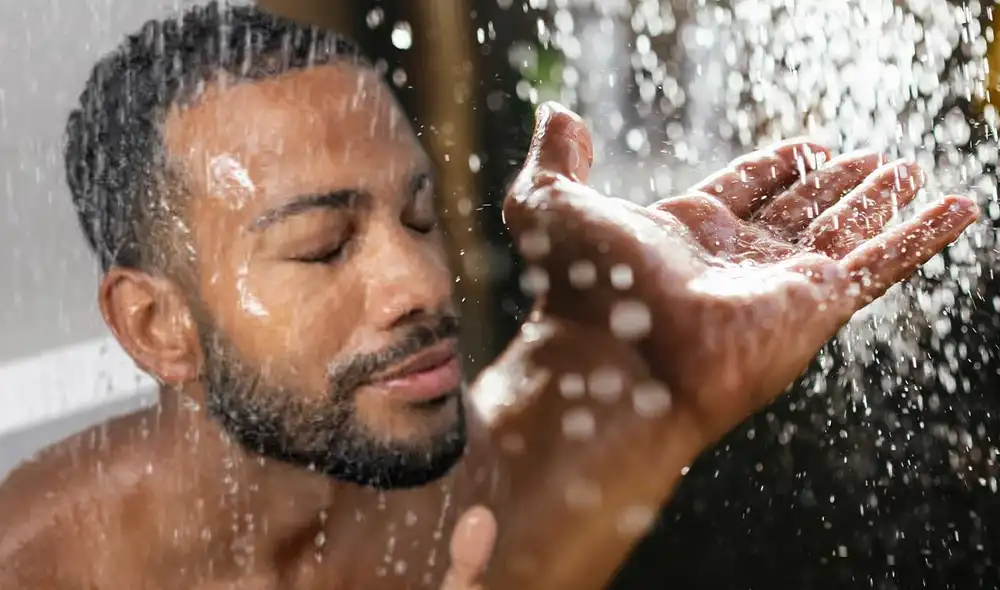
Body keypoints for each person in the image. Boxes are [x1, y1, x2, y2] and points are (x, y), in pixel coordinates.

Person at [0, 3, 979, 589]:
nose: (424, 282)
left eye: (418, 217)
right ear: (157, 324)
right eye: (324, 245)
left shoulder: (459, 501)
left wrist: (642, 359)